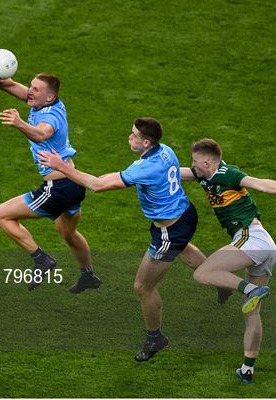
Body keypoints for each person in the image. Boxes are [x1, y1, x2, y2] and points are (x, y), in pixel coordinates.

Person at [38, 117, 200, 361]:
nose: (129, 137)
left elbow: (99, 185)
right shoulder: (165, 151)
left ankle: (156, 338)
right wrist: (204, 175)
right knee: (182, 247)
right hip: (186, 214)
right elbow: (178, 172)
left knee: (143, 287)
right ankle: (218, 279)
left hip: (169, 231)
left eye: (133, 135)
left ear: (146, 142)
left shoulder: (144, 168)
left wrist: (62, 167)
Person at [180, 138, 276, 383]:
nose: (192, 166)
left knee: (202, 273)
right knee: (251, 312)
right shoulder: (202, 174)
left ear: (206, 162)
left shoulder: (228, 173)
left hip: (250, 237)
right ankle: (247, 368)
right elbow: (176, 173)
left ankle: (252, 289)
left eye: (194, 161)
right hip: (265, 245)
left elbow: (258, 183)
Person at [0, 68, 101, 293]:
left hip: (58, 188)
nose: (30, 92)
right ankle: (88, 276)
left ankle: (42, 260)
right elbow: (12, 87)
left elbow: (41, 134)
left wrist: (19, 123)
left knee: (1, 214)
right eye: (31, 86)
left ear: (50, 97)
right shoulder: (42, 102)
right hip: (74, 184)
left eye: (36, 89)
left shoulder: (50, 116)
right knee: (68, 233)